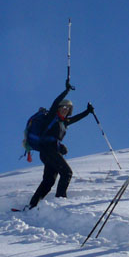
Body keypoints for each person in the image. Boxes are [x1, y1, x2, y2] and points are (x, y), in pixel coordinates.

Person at [27, 78, 93, 209]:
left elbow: (75, 119)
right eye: (63, 107)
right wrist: (66, 90)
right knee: (67, 173)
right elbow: (55, 102)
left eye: (68, 108)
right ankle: (60, 201)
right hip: (48, 151)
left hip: (50, 152)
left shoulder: (64, 122)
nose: (65, 109)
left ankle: (32, 205)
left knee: (49, 180)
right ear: (58, 108)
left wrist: (87, 112)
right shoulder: (51, 117)